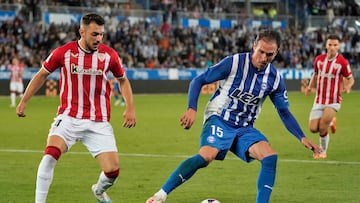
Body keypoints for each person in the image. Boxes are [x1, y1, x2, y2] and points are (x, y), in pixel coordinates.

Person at [146, 29, 321, 203]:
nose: (263, 58)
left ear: (276, 53)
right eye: (260, 52)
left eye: (269, 54)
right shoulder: (235, 62)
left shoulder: (274, 79)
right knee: (207, 156)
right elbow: (198, 81)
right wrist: (192, 108)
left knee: (270, 156)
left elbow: (283, 111)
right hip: (219, 118)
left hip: (244, 127)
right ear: (254, 46)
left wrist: (302, 137)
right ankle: (160, 195)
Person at [16, 13, 137, 203]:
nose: (98, 38)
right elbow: (41, 74)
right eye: (94, 34)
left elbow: (123, 80)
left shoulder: (109, 55)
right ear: (82, 31)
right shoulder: (64, 52)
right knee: (49, 156)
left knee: (113, 171)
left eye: (101, 34)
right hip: (69, 117)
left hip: (98, 121)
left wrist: (130, 107)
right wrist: (24, 101)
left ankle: (98, 190)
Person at [305, 34, 354, 159]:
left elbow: (350, 78)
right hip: (319, 99)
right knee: (312, 128)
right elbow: (315, 74)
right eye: (330, 44)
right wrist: (310, 87)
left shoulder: (342, 62)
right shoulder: (319, 59)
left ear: (339, 46)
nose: (332, 47)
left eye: (335, 45)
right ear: (326, 45)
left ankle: (323, 152)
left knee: (322, 127)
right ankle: (331, 122)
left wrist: (348, 87)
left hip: (333, 100)